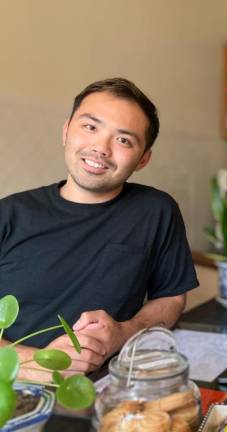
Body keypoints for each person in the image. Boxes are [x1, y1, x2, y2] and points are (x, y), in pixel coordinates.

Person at [0, 78, 198, 380]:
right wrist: (37, 364)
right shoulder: (9, 214)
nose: (100, 148)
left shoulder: (156, 211)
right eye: (90, 127)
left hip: (112, 390)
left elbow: (170, 298)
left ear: (143, 159)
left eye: (124, 140)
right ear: (66, 131)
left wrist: (124, 332)